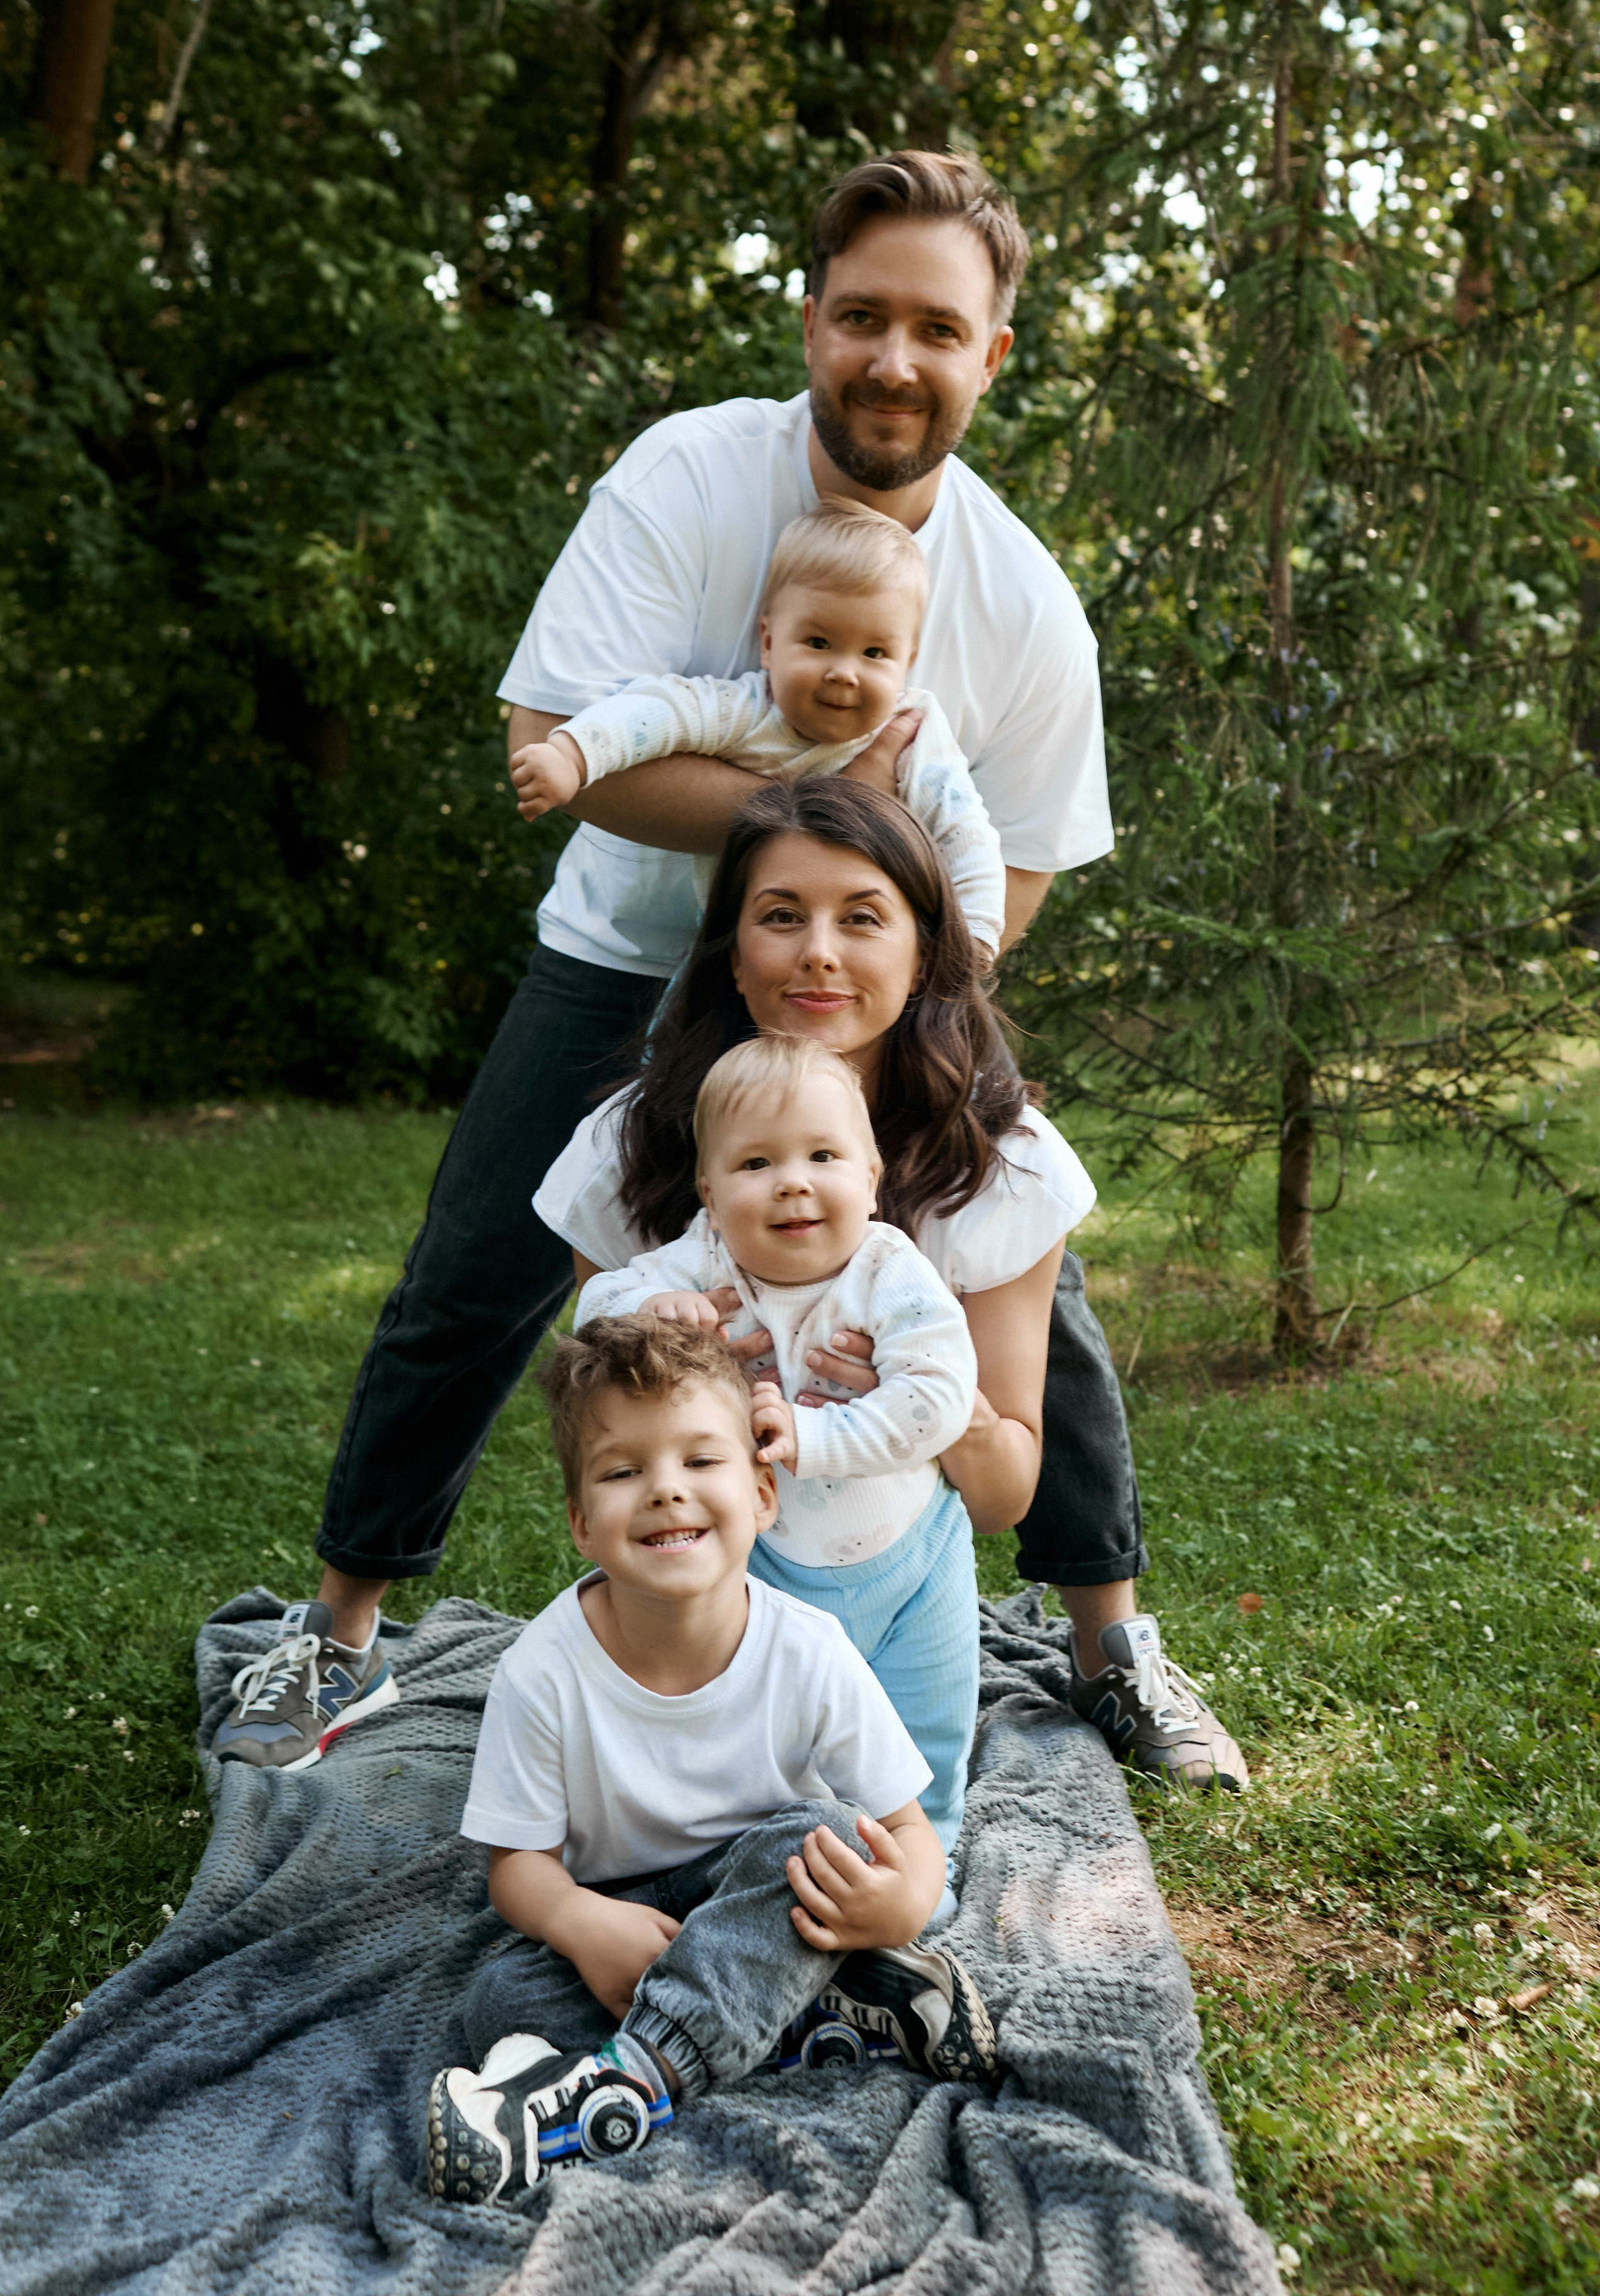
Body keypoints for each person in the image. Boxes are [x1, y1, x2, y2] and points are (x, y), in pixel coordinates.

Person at [216, 147, 1244, 1795]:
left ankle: (1110, 1640)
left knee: (1017, 1269)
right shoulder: (688, 478)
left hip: (890, 990)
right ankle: (337, 1629)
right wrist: (830, 818)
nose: (893, 358)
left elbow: (1029, 862)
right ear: (812, 319)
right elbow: (558, 735)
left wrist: (911, 998)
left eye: (936, 328)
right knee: (477, 1271)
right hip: (627, 962)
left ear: (991, 353)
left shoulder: (1027, 603)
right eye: (862, 316)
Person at [540, 781, 1247, 1797]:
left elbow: (1000, 1498)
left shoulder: (1002, 1162)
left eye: (863, 918)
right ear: (732, 954)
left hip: (902, 1538)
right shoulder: (632, 1146)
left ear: (923, 954)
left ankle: (1114, 1653)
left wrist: (918, 1398)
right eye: (781, 916)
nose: (819, 953)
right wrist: (672, 1352)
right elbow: (600, 1433)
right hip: (719, 1559)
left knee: (905, 1777)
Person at [426, 1315, 996, 2208]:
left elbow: (904, 1831)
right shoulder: (541, 1672)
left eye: (700, 1460)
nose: (666, 1490)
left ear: (763, 1495)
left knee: (828, 1838)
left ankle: (633, 2080)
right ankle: (823, 2015)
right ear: (581, 1522)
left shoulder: (808, 1650)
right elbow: (518, 1868)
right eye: (623, 1472)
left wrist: (905, 1902)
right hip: (627, 1918)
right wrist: (580, 1922)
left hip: (762, 1891)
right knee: (501, 1997)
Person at [578, 1032, 982, 1850]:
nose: (793, 1181)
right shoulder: (702, 1261)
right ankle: (753, 1841)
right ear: (709, 1193)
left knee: (925, 1726)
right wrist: (648, 1311)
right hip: (760, 1560)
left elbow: (938, 1398)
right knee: (761, 1713)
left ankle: (922, 1860)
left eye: (823, 1156)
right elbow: (593, 1314)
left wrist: (816, 1434)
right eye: (756, 1163)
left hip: (913, 1557)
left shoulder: (889, 1271)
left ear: (870, 1177)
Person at [509, 496, 1007, 961]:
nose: (844, 672)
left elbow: (965, 832)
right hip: (733, 954)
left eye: (875, 653)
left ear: (907, 663)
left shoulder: (914, 736)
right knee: (687, 1020)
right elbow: (654, 715)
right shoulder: (747, 711)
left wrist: (976, 934)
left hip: (851, 966)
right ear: (769, 643)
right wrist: (573, 755)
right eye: (819, 643)